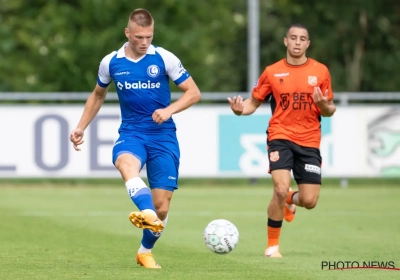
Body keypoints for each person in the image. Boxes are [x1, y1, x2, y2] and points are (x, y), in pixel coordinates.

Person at [69, 8, 201, 268]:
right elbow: (98, 95)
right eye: (139, 37)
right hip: (131, 132)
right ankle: (147, 212)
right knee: (126, 165)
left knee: (162, 206)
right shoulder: (111, 62)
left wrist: (169, 109)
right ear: (127, 33)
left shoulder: (164, 58)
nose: (144, 43)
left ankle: (144, 251)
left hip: (163, 136)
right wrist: (81, 126)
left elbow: (193, 93)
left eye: (149, 37)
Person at [228, 23, 336, 258]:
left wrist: (323, 105)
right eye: (293, 38)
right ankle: (272, 246)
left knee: (309, 200)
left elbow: (329, 110)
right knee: (278, 187)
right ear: (286, 41)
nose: (297, 42)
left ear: (308, 44)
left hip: (309, 139)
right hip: (280, 135)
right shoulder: (272, 72)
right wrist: (239, 110)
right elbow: (252, 104)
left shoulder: (320, 72)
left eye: (302, 39)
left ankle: (290, 198)